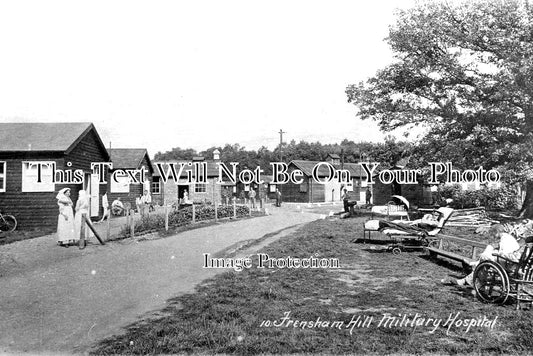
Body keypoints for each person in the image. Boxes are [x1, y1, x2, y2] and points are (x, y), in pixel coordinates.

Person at [442, 224, 531, 286]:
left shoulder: (505, 239)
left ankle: (471, 273)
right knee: (485, 257)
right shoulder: (509, 238)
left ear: (496, 232)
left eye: (493, 234)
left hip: (510, 265)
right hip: (515, 264)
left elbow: (508, 254)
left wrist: (497, 253)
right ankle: (470, 277)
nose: (493, 236)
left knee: (485, 258)